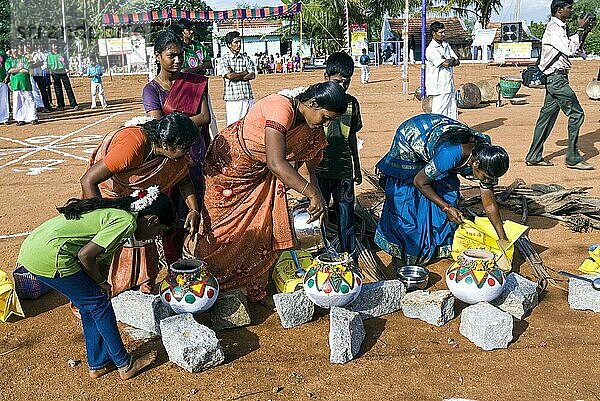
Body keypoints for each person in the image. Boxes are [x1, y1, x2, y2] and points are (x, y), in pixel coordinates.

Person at [193, 82, 347, 302]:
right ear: (312, 103)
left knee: (262, 229)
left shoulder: (308, 125)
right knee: (222, 231)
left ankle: (254, 288)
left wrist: (317, 195)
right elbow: (276, 163)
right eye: (325, 118)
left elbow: (307, 166)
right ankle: (207, 285)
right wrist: (311, 193)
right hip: (228, 170)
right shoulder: (280, 108)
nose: (326, 124)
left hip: (261, 174)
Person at [16, 190, 173, 379]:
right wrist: (99, 283)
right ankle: (125, 364)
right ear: (152, 219)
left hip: (34, 250)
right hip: (51, 256)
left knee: (88, 304)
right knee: (99, 303)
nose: (154, 237)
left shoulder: (118, 211)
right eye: (159, 232)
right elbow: (85, 255)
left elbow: (102, 256)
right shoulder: (127, 222)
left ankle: (98, 363)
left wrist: (102, 282)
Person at [80, 112, 201, 295]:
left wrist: (193, 209)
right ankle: (108, 290)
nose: (188, 154)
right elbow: (88, 180)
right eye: (185, 148)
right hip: (107, 197)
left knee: (146, 231)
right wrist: (102, 220)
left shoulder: (168, 154)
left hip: (136, 200)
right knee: (110, 245)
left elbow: (182, 177)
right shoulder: (132, 147)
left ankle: (141, 285)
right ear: (167, 144)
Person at [375, 114, 509, 270]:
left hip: (439, 144)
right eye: (485, 177)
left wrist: (502, 238)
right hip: (412, 136)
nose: (487, 181)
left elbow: (490, 204)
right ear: (476, 164)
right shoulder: (449, 154)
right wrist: (446, 208)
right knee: (407, 201)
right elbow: (420, 182)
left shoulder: (487, 157)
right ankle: (404, 249)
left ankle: (437, 245)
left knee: (448, 192)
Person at [142, 30, 211, 264]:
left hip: (196, 154)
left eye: (180, 55)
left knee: (199, 206)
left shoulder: (194, 83)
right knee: (171, 213)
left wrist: (175, 122)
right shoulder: (151, 90)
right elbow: (158, 126)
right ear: (158, 56)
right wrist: (181, 122)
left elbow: (205, 117)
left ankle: (202, 257)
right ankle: (174, 261)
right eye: (171, 55)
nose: (178, 61)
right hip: (170, 158)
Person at [525, 0, 594, 170]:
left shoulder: (560, 29)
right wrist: (580, 29)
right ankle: (572, 158)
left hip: (555, 79)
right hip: (557, 80)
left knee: (546, 118)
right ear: (559, 10)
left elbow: (576, 50)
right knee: (577, 114)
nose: (572, 10)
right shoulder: (554, 28)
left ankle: (533, 156)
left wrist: (583, 32)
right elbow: (570, 50)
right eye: (569, 7)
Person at [317, 52, 363, 256]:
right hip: (319, 170)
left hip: (344, 169)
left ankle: (348, 256)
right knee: (319, 214)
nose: (343, 86)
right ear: (326, 76)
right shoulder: (316, 101)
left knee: (346, 217)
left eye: (347, 82)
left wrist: (357, 166)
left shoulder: (352, 104)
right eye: (338, 81)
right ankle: (322, 254)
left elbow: (352, 136)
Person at [425, 21, 460, 120]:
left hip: (449, 85)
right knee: (439, 113)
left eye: (444, 32)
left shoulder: (446, 45)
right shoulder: (431, 49)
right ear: (433, 33)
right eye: (441, 32)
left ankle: (451, 133)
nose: (443, 34)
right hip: (439, 87)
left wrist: (450, 60)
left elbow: (457, 61)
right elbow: (446, 64)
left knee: (452, 112)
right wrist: (449, 61)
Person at [221, 31, 256, 126]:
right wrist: (245, 72)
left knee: (249, 125)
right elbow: (230, 76)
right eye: (236, 42)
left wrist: (235, 75)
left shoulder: (245, 58)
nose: (239, 45)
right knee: (233, 126)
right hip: (233, 99)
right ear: (229, 45)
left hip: (247, 96)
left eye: (240, 42)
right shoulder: (225, 59)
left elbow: (252, 75)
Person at [5, 41, 38, 125]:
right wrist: (19, 68)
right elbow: (9, 70)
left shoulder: (24, 59)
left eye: (16, 48)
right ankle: (20, 118)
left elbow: (26, 70)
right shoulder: (9, 60)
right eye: (13, 48)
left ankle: (33, 117)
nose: (15, 50)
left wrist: (16, 69)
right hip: (16, 84)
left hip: (25, 83)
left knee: (30, 100)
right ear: (11, 50)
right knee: (18, 102)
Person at [47, 41, 78, 110]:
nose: (56, 46)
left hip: (63, 71)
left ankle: (73, 104)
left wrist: (66, 68)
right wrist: (50, 72)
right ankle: (61, 105)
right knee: (58, 89)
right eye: (54, 45)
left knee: (68, 88)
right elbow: (48, 65)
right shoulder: (49, 55)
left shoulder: (61, 53)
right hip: (55, 72)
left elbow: (65, 62)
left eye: (57, 45)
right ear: (51, 46)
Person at [30, 43, 53, 112]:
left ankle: (47, 106)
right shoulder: (27, 55)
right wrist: (33, 65)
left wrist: (32, 65)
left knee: (44, 90)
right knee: (34, 91)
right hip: (31, 74)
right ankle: (38, 106)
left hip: (39, 74)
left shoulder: (38, 54)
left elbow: (41, 63)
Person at [0, 47, 8, 124]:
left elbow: (7, 63)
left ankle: (4, 118)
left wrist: (7, 76)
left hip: (2, 78)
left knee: (3, 100)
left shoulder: (2, 51)